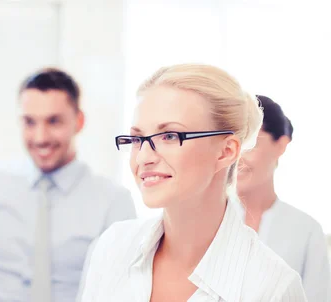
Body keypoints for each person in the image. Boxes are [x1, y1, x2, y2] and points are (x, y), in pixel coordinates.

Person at [80, 64, 307, 301]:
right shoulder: (112, 248)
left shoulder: (272, 288)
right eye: (137, 139)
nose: (144, 157)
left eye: (169, 136)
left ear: (226, 151)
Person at [0, 67, 136, 302]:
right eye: (29, 122)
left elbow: (123, 287)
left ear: (79, 121)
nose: (40, 137)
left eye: (54, 121)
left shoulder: (113, 201)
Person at [236, 95, 331, 301]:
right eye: (233, 144)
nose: (238, 157)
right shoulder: (204, 223)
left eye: (251, 144)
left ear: (281, 145)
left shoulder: (307, 230)